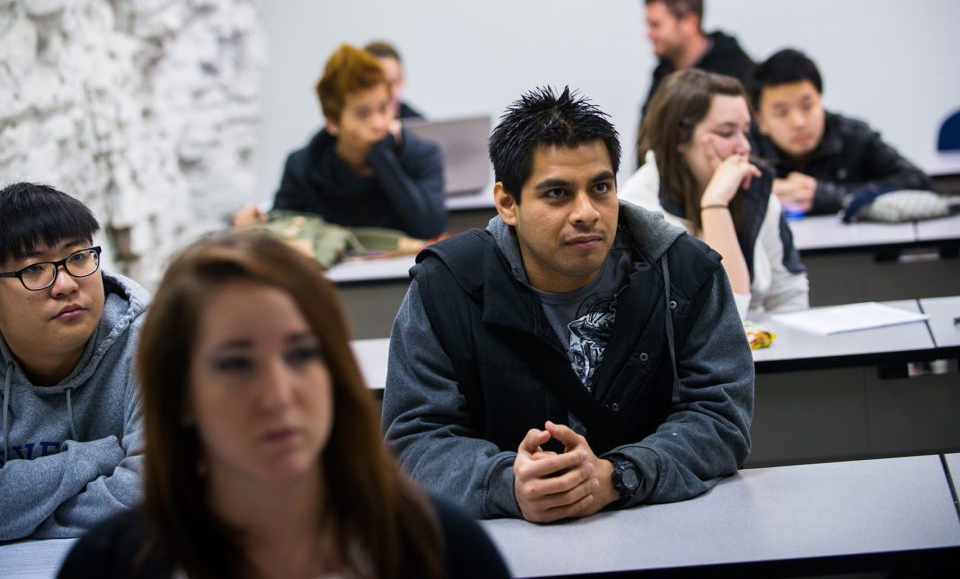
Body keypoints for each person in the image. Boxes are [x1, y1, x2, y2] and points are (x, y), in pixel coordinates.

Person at [383, 87, 754, 523]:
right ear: (507, 203)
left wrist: (618, 476)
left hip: (657, 534)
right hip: (507, 548)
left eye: (601, 187)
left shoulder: (688, 273)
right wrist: (508, 484)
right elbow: (414, 438)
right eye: (557, 193)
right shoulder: (444, 285)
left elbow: (720, 417)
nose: (587, 212)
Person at [58, 232, 510, 579]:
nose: (277, 395)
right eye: (235, 364)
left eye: (301, 354)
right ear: (180, 395)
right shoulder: (109, 566)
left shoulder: (442, 550)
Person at [0, 182, 148, 540]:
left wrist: (22, 526)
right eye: (34, 269)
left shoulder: (151, 345)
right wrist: (98, 457)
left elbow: (152, 492)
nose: (65, 284)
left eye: (78, 257)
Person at [621, 69, 808, 319]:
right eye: (726, 133)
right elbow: (722, 319)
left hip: (766, 349)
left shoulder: (756, 191)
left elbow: (789, 296)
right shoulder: (638, 208)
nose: (744, 147)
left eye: (746, 131)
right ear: (678, 137)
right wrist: (715, 205)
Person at [235, 43, 445, 238]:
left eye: (384, 107)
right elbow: (283, 232)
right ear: (332, 123)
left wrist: (382, 158)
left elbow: (430, 226)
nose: (379, 123)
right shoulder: (303, 166)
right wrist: (258, 223)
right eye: (362, 114)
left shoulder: (421, 153)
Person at [751, 48, 932, 215]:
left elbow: (917, 180)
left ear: (820, 100)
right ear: (760, 121)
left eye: (807, 106)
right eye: (781, 112)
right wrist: (761, 194)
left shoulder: (853, 137)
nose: (799, 122)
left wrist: (832, 196)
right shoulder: (746, 147)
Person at [640, 0, 755, 126]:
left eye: (656, 25)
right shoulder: (662, 74)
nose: (649, 35)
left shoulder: (740, 73)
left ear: (689, 23)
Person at [364, 40, 425, 119]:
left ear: (402, 81)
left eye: (393, 82)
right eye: (376, 83)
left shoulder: (420, 125)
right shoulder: (347, 124)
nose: (387, 92)